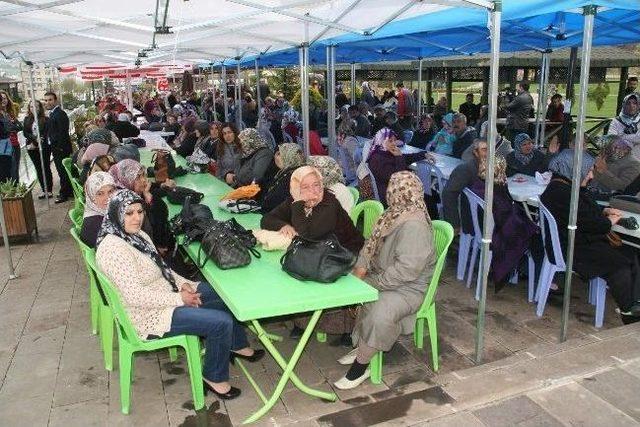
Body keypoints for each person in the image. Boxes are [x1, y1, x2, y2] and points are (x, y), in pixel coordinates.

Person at [96, 190, 264, 400]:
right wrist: (179, 298)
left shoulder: (136, 235)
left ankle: (236, 345)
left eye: (139, 211)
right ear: (115, 214)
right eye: (129, 213)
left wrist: (183, 284)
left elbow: (161, 267)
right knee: (220, 322)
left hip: (164, 293)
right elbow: (135, 296)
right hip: (144, 314)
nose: (137, 217)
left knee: (223, 295)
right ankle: (214, 377)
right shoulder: (114, 248)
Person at [334, 171, 435, 389]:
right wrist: (361, 267)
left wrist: (371, 283)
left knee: (379, 311)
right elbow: (369, 245)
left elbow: (407, 271)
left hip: (409, 288)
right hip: (388, 277)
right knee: (344, 280)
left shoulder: (414, 225)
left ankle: (361, 366)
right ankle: (363, 345)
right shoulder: (394, 213)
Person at [261, 166, 365, 343]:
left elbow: (308, 234)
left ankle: (343, 328)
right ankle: (304, 322)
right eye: (306, 187)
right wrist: (283, 225)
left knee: (306, 268)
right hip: (320, 251)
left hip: (346, 252)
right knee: (295, 269)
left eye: (316, 185)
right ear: (296, 188)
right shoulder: (295, 199)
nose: (313, 191)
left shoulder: (329, 203)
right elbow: (266, 219)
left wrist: (298, 205)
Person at [540, 150, 640, 323]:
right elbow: (597, 226)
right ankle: (628, 313)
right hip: (573, 248)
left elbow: (582, 212)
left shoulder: (559, 185)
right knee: (620, 265)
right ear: (573, 170)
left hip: (573, 241)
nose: (591, 174)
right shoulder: (566, 194)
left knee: (630, 254)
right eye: (587, 171)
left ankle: (633, 304)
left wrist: (603, 210)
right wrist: (610, 220)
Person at [469, 156, 538, 287]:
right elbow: (505, 215)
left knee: (528, 226)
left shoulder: (479, 183)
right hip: (495, 233)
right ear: (501, 170)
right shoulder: (496, 190)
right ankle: (527, 273)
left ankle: (518, 270)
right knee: (532, 233)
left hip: (482, 228)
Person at [110, 159, 174, 256]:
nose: (144, 180)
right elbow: (146, 232)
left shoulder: (131, 193)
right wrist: (150, 200)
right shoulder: (126, 206)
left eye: (144, 175)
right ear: (127, 179)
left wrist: (153, 191)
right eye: (138, 177)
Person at [359, 128, 428, 206]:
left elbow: (406, 158)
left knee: (425, 194)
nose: (394, 143)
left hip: (392, 190)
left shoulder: (384, 153)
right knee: (424, 195)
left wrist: (423, 154)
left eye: (395, 140)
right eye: (390, 141)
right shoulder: (377, 159)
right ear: (381, 141)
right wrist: (399, 157)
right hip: (388, 196)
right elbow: (398, 178)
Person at [441, 139, 488, 232]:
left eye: (490, 150)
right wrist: (454, 224)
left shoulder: (495, 167)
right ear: (475, 152)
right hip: (477, 216)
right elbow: (448, 193)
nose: (488, 153)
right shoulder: (466, 169)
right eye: (484, 149)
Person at [44, 92, 73, 203]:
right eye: (46, 100)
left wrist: (59, 147)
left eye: (50, 100)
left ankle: (64, 194)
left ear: (55, 100)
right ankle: (68, 191)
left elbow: (63, 132)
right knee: (63, 171)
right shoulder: (53, 113)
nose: (48, 102)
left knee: (62, 172)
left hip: (60, 148)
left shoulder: (59, 114)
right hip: (56, 148)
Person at [260, 143, 305, 213]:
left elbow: (274, 201)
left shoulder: (291, 177)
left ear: (288, 156)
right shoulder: (284, 173)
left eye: (279, 154)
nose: (275, 157)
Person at [23, 100, 53, 199]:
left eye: (36, 106)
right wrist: (35, 140)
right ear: (29, 108)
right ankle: (43, 190)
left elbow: (46, 133)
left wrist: (39, 141)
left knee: (46, 167)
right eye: (31, 107)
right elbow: (25, 133)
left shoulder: (46, 119)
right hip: (31, 147)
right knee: (38, 169)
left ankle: (49, 190)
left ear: (40, 108)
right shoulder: (27, 119)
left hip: (44, 147)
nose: (34, 109)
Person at [80, 172, 116, 247]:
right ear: (91, 196)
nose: (107, 197)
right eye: (100, 194)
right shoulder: (95, 224)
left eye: (110, 191)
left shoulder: (102, 213)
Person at [0, 91, 22, 182]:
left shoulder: (8, 113)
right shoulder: (2, 115)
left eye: (4, 98)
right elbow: (6, 129)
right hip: (4, 144)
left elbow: (20, 126)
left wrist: (12, 126)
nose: (3, 101)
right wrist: (12, 126)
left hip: (13, 144)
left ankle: (16, 193)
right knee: (7, 171)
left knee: (14, 170)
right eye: (1, 99)